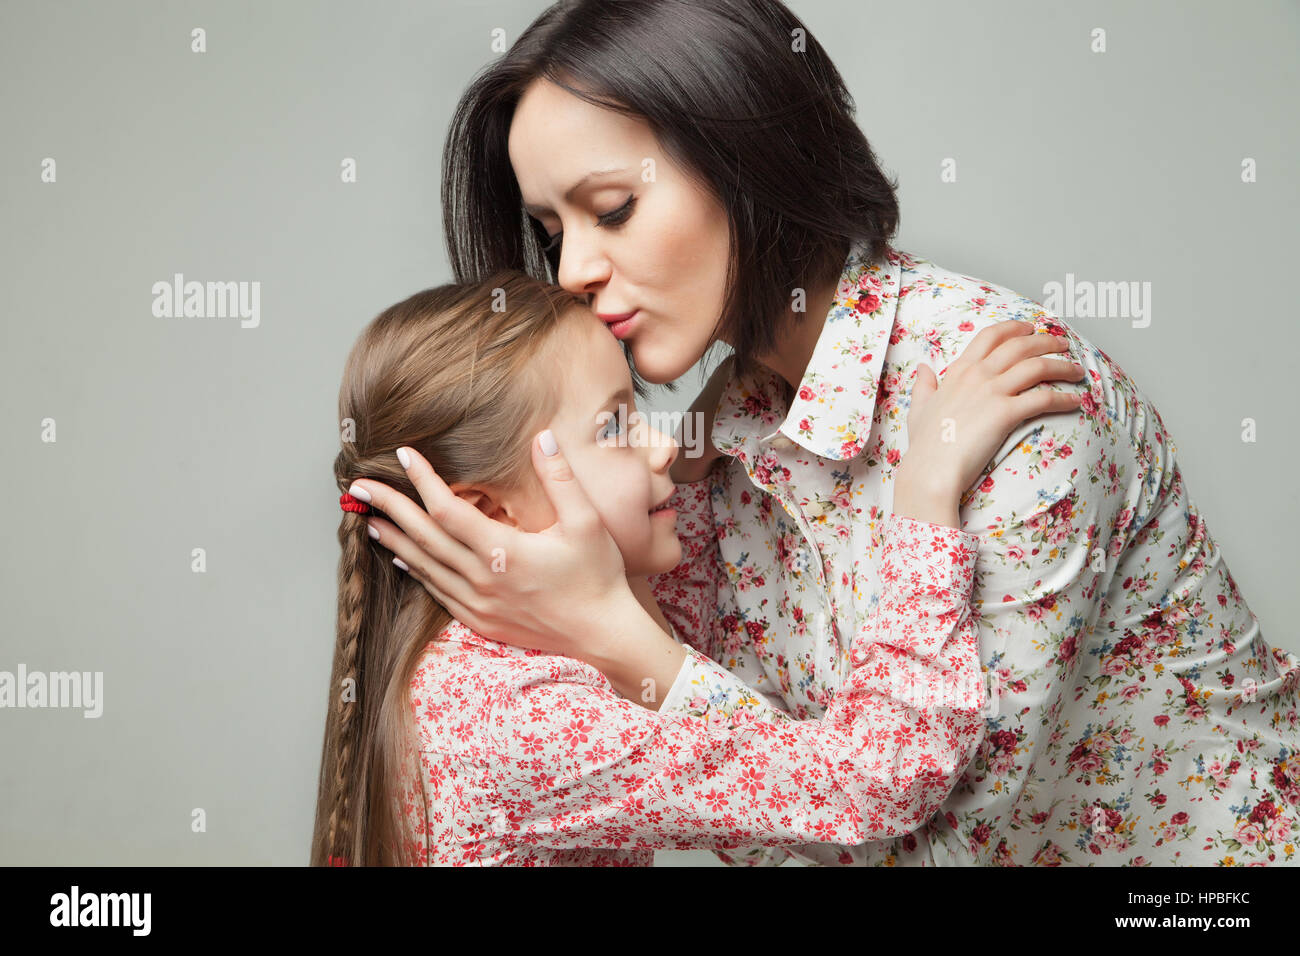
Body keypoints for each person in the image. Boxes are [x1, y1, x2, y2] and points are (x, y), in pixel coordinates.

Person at [366, 0, 1300, 864]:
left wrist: (615, 636)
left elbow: (919, 851)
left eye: (612, 209)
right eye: (551, 229)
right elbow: (759, 805)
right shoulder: (705, 445)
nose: (572, 269)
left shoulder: (1009, 402)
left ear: (746, 161)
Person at [310, 271, 1077, 865]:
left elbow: (689, 565)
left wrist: (733, 384)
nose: (658, 446)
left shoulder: (477, 661)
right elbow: (870, 785)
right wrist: (925, 497)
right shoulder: (513, 718)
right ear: (494, 513)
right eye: (615, 424)